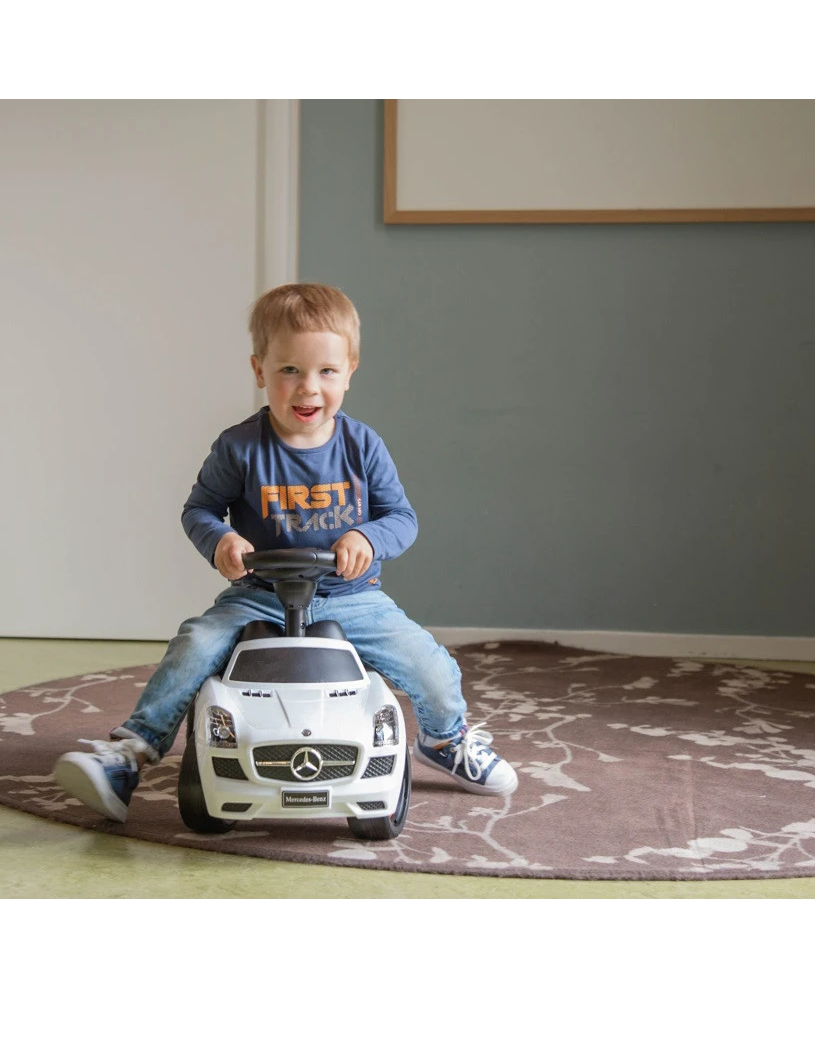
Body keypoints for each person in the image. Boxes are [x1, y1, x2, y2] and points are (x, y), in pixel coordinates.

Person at [53, 282, 518, 821]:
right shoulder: (239, 447)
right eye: (290, 370)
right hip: (258, 595)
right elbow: (199, 510)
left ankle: (445, 739)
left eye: (326, 371)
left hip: (351, 596)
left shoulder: (363, 446)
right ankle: (130, 753)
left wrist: (367, 538)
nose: (308, 388)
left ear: (350, 371)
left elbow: (402, 518)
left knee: (427, 662)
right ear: (260, 370)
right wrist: (221, 540)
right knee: (196, 643)